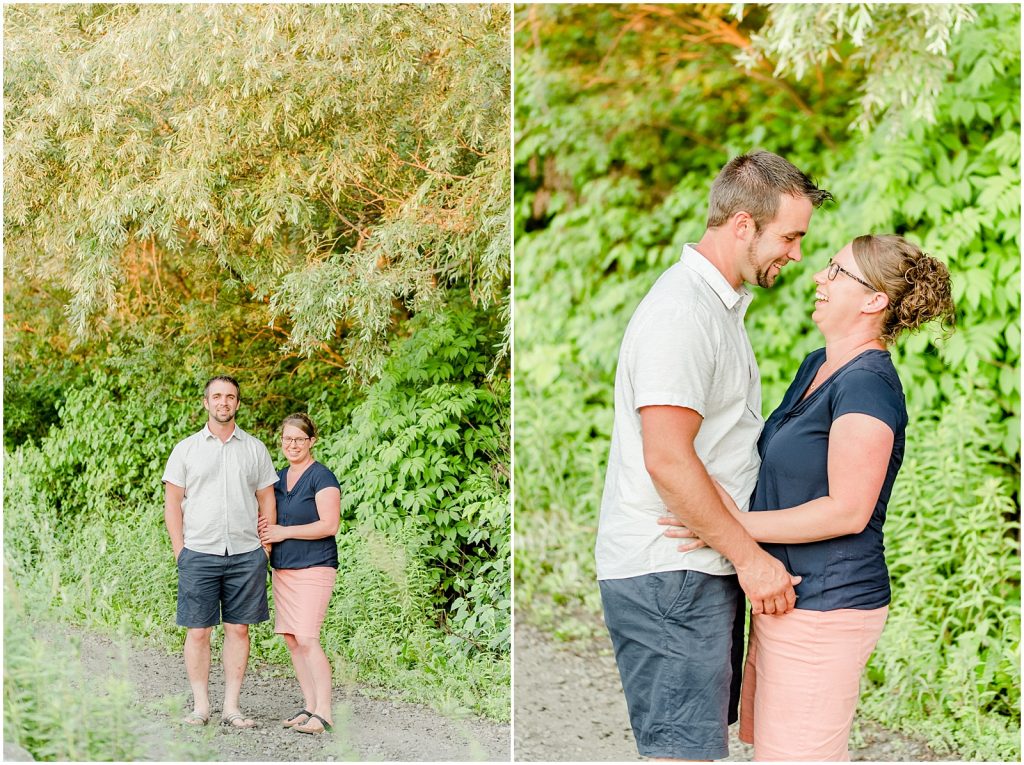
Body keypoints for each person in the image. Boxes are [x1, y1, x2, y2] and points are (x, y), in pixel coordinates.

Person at [662, 234, 955, 760]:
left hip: (829, 605)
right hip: (786, 599)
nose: (820, 278)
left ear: (874, 301)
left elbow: (848, 510)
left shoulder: (867, 385)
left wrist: (729, 525)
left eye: (838, 273)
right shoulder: (818, 364)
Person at [595, 150, 833, 760]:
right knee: (684, 753)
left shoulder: (716, 309)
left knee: (698, 746)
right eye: (790, 236)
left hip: (698, 565)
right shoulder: (683, 315)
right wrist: (751, 559)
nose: (797, 254)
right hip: (671, 572)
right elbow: (668, 459)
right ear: (743, 225)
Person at [162, 375, 279, 728]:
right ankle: (200, 707)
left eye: (230, 397)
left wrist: (266, 549)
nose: (223, 402)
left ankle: (231, 707)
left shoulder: (255, 449)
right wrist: (180, 550)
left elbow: (267, 500)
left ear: (238, 404)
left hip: (246, 554)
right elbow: (172, 504)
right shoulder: (186, 449)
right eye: (217, 396)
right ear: (206, 402)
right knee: (198, 631)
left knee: (238, 630)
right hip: (198, 552)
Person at [258, 413, 341, 736]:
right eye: (287, 439)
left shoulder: (323, 477)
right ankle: (309, 706)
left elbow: (328, 525)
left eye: (299, 439)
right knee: (292, 639)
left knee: (307, 637)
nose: (292, 445)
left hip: (315, 567)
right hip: (284, 569)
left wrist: (283, 532)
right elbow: (267, 521)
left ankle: (325, 713)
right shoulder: (277, 479)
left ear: (312, 442)